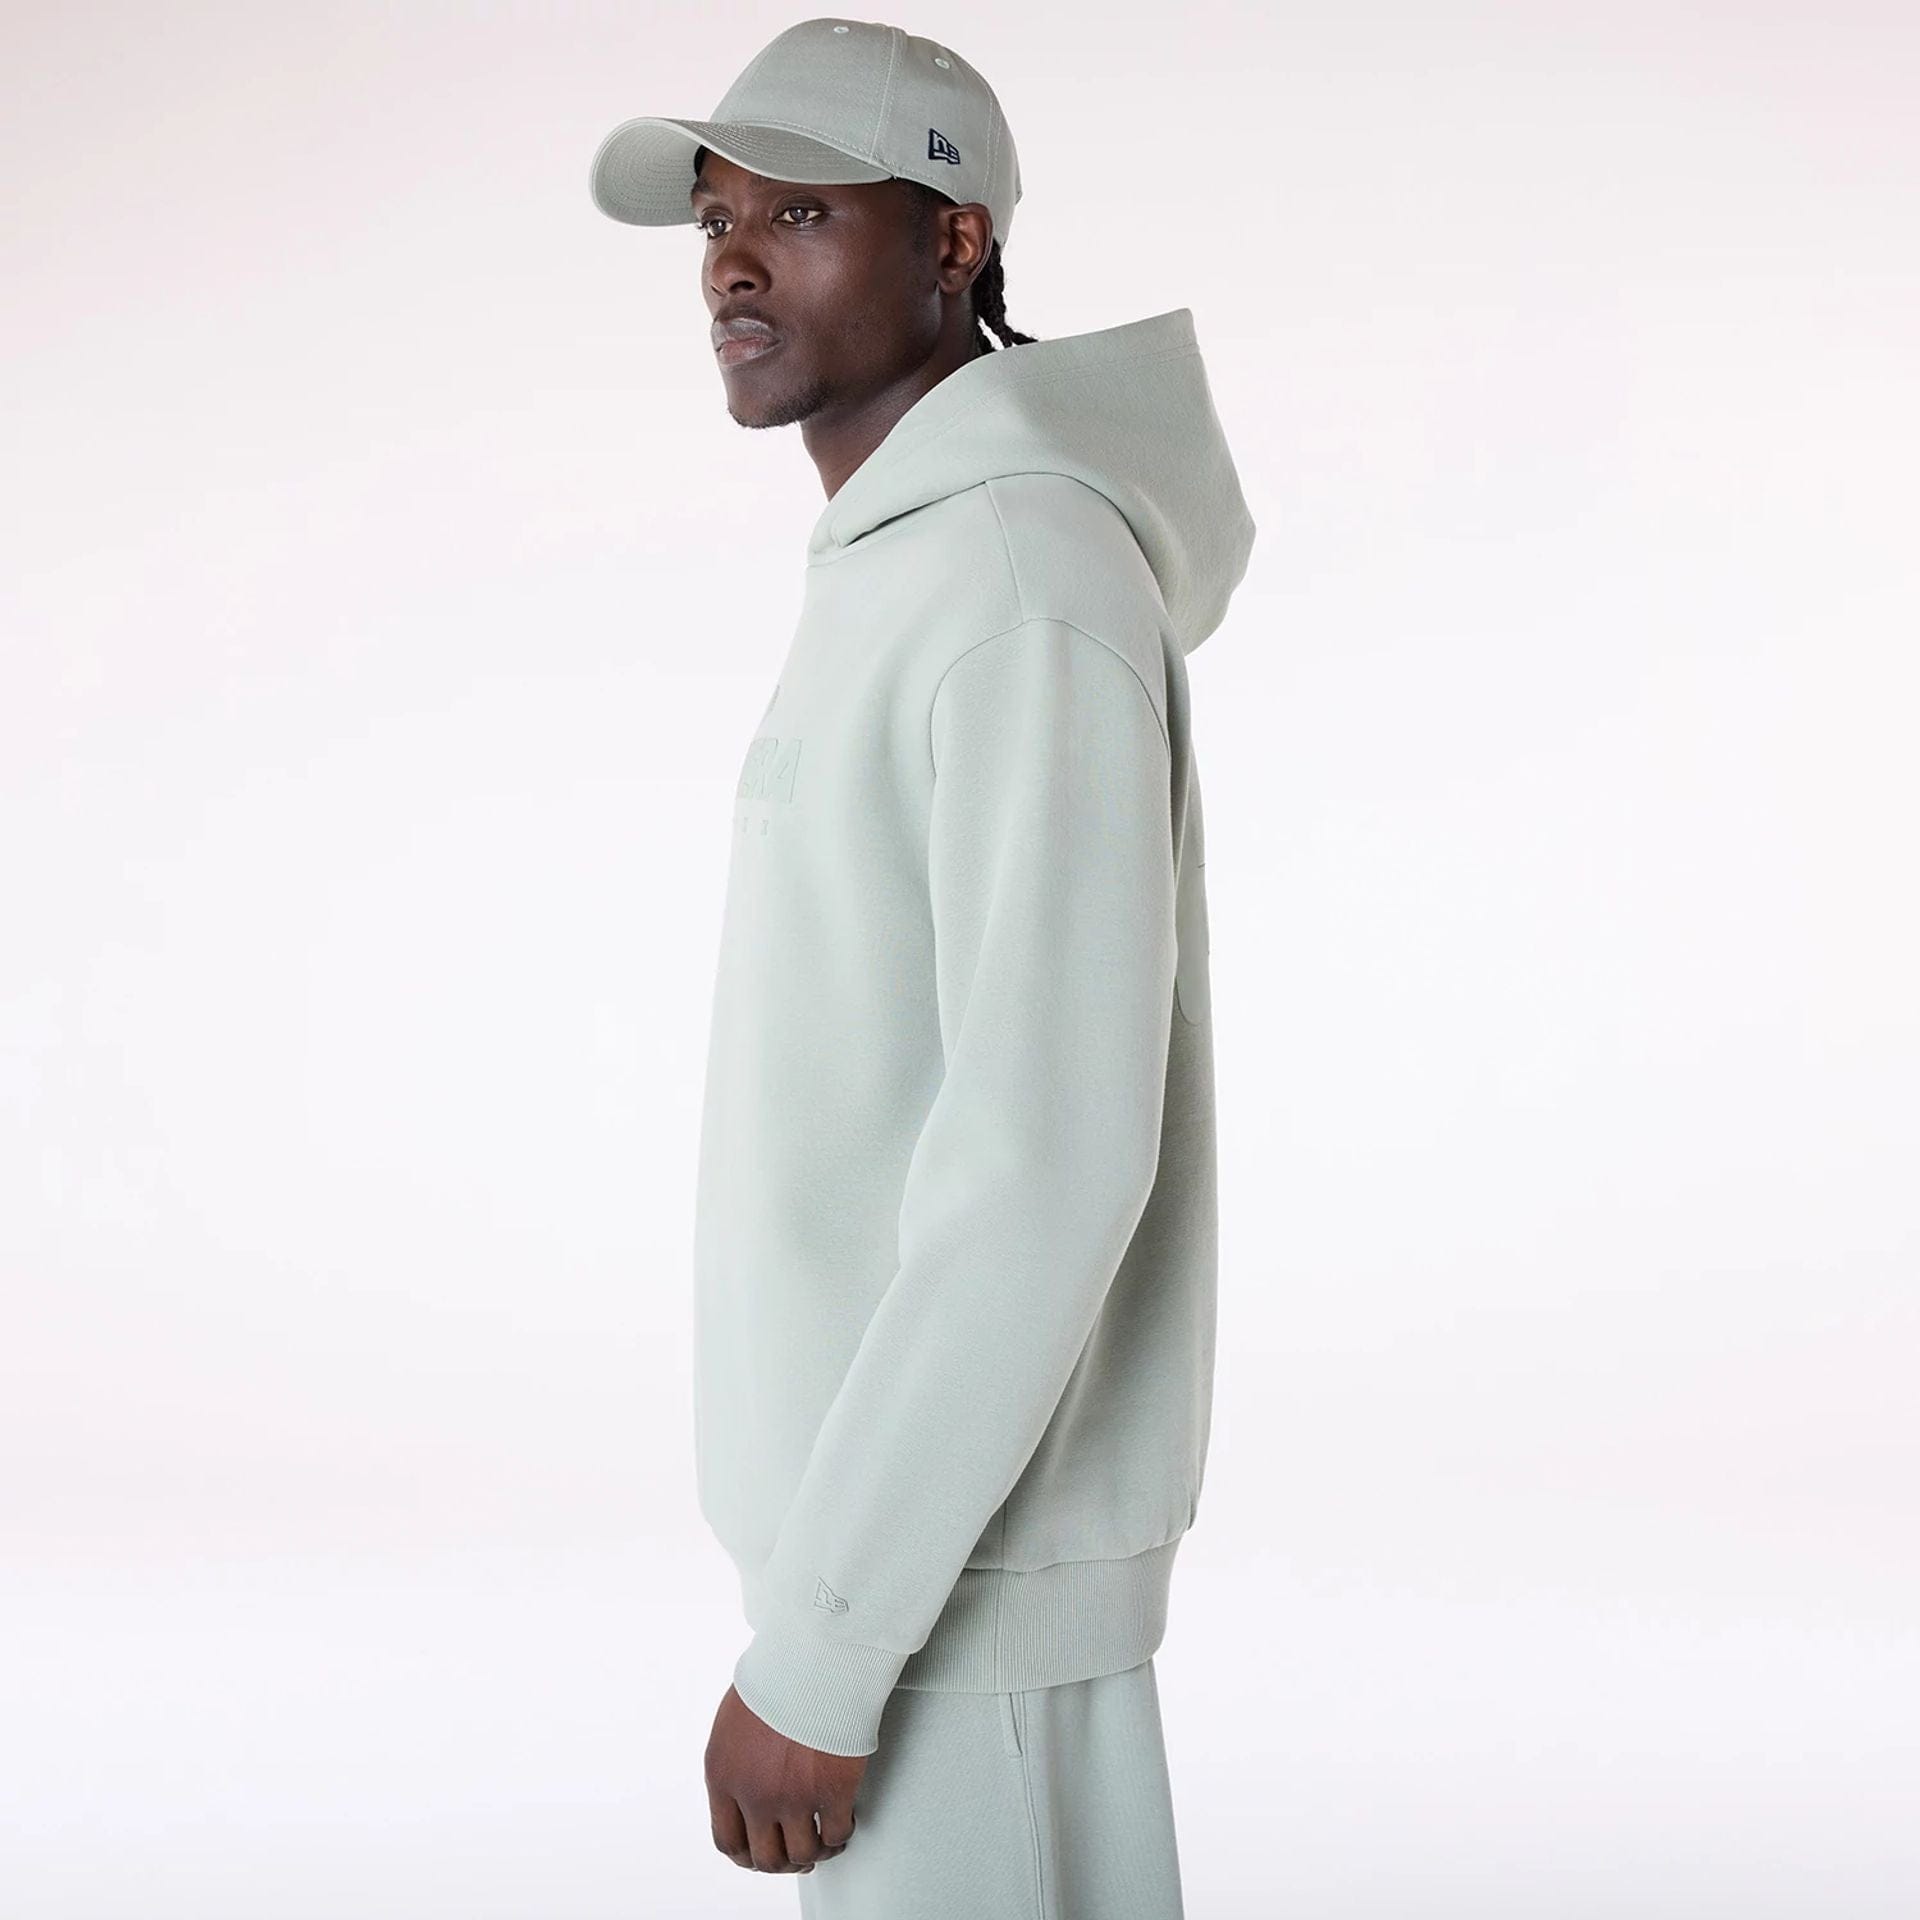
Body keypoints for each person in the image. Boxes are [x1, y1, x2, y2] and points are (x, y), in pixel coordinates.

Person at [589, 19, 1256, 1915]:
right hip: (907, 1582)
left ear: (956, 242)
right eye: (718, 221)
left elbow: (1048, 1161)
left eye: (800, 214)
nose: (733, 265)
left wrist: (825, 1650)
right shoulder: (916, 566)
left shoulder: (1017, 588)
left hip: (946, 1612)